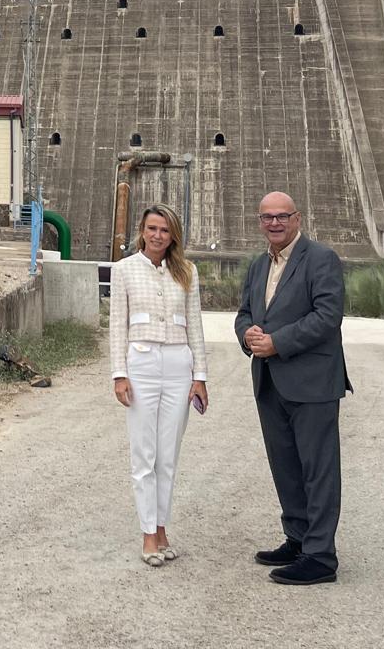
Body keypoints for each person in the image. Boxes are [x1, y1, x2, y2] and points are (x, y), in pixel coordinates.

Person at [234, 191, 353, 585]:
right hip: (270, 380)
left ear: (297, 218)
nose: (274, 223)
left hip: (313, 382)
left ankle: (320, 556)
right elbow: (245, 313)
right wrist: (248, 335)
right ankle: (298, 538)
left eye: (282, 216)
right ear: (260, 221)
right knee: (285, 466)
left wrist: (277, 342)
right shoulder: (258, 265)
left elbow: (327, 316)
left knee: (318, 469)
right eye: (267, 217)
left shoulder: (321, 259)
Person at [109, 203, 209, 567]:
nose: (157, 235)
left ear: (173, 235)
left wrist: (200, 377)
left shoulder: (187, 272)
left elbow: (195, 326)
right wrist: (119, 374)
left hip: (179, 363)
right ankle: (148, 534)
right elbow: (117, 325)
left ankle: (162, 528)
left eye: (164, 230)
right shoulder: (124, 271)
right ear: (142, 230)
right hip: (142, 363)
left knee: (168, 456)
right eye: (152, 228)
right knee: (144, 455)